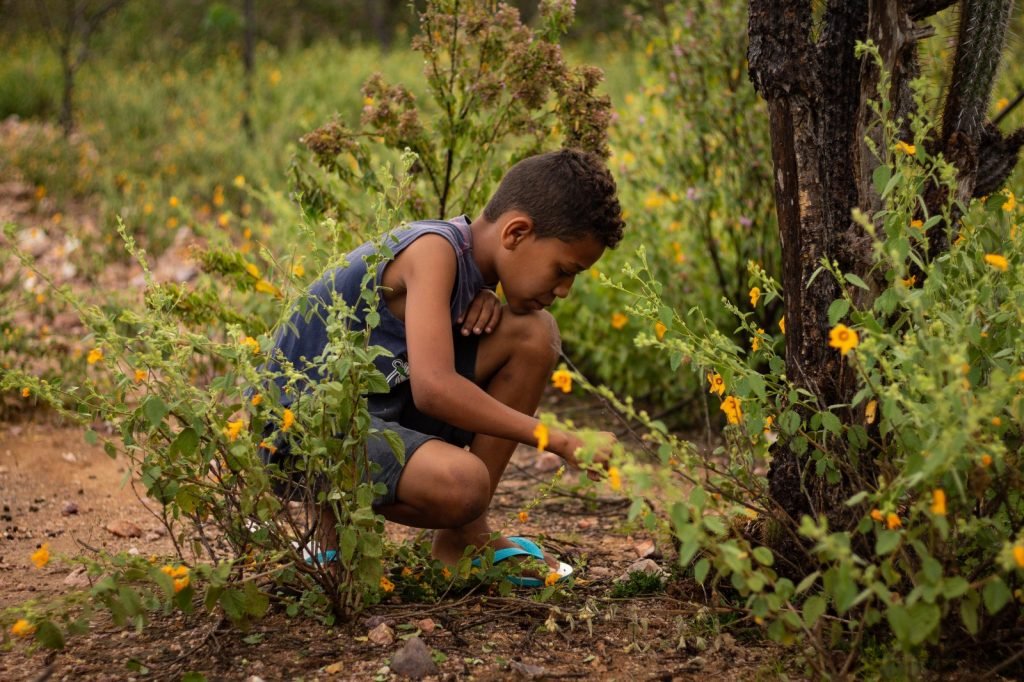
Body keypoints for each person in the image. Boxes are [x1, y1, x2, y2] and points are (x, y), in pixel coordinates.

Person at [264, 148, 624, 583]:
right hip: (296, 431)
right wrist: (559, 439)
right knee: (465, 484)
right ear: (516, 234)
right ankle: (330, 540)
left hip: (371, 411)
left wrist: (485, 295)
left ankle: (461, 541)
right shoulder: (433, 252)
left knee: (534, 334)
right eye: (563, 270)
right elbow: (433, 389)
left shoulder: (471, 267)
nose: (564, 289)